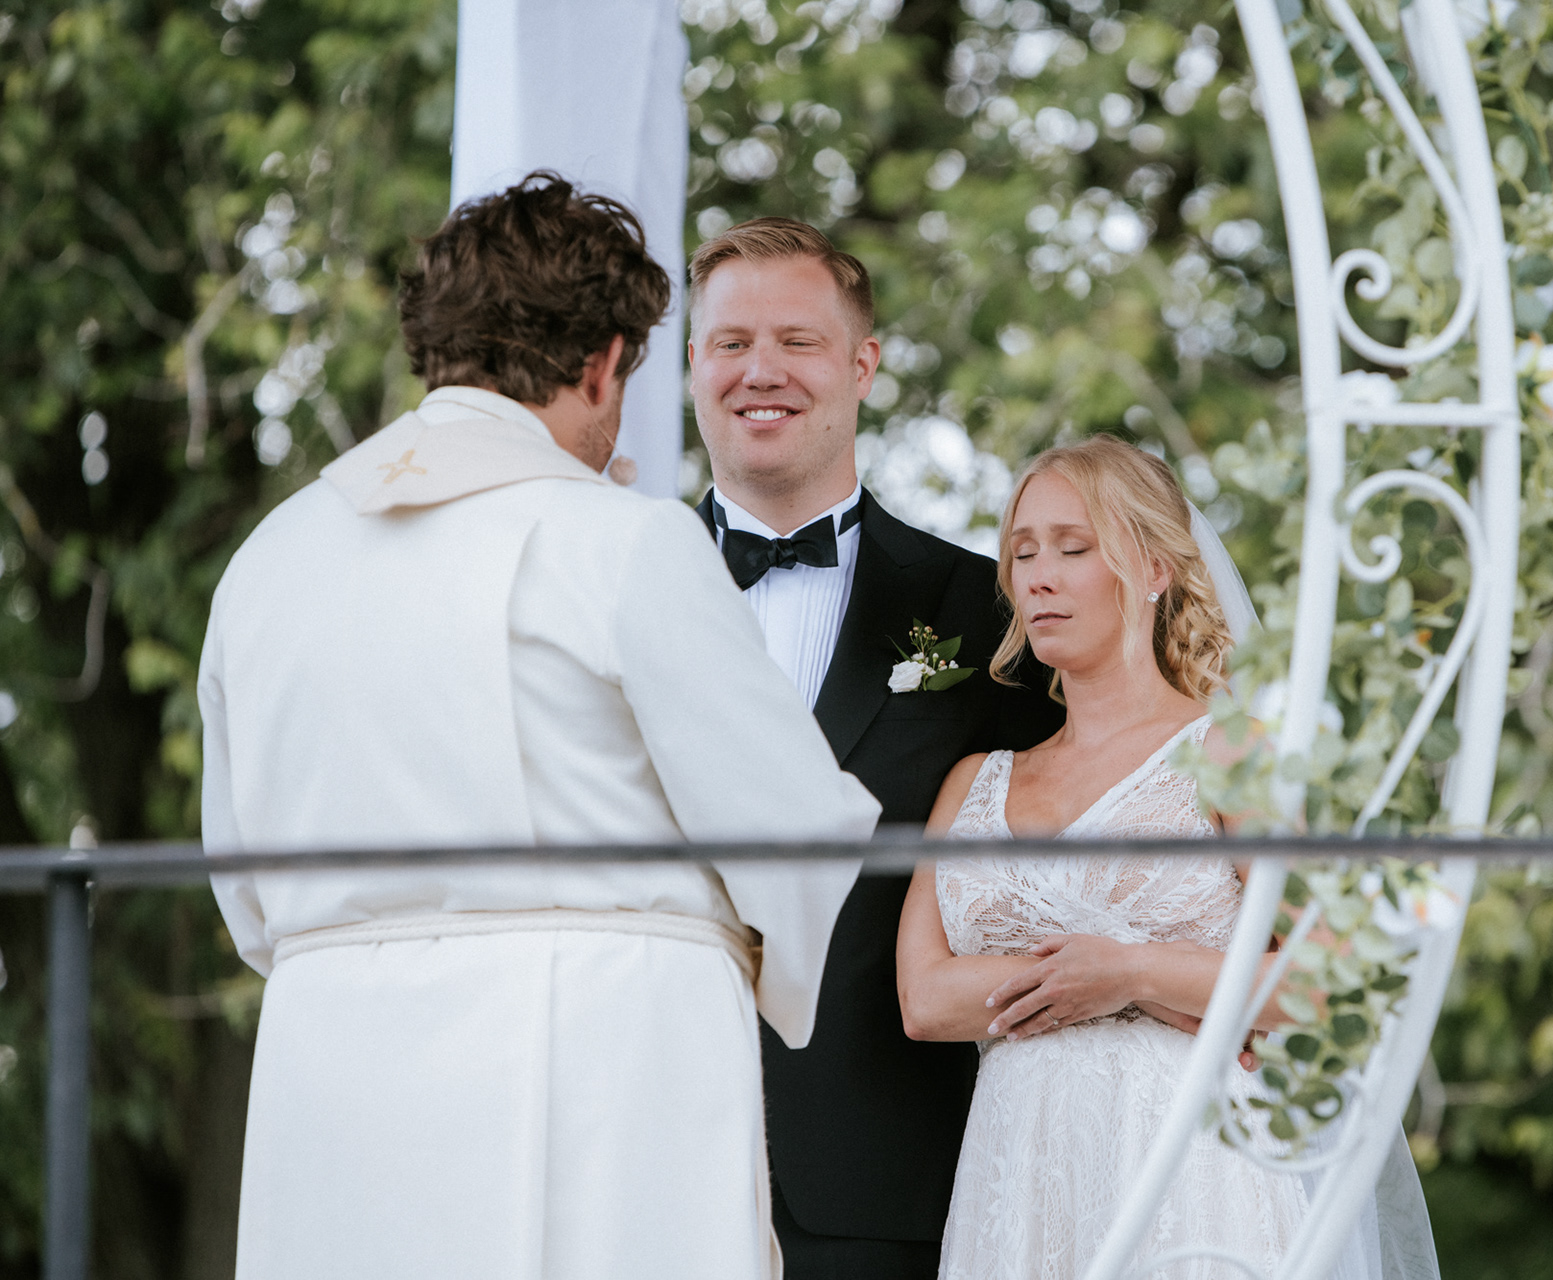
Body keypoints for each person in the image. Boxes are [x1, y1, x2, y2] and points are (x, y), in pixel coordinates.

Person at [199, 174, 879, 1280]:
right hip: (600, 1064)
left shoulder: (269, 557)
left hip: (332, 1071)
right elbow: (793, 827)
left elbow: (242, 883)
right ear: (604, 362)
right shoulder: (620, 540)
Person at [899, 436, 1436, 1280]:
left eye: (1073, 548)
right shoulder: (975, 781)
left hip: (1192, 1172)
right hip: (1019, 1177)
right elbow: (925, 999)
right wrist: (1124, 986)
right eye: (1023, 552)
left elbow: (1331, 982)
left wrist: (1135, 973)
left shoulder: (1227, 753)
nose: (1039, 576)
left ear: (1154, 568)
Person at [685, 217, 1065, 1279]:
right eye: (731, 342)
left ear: (862, 366)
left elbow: (1075, 844)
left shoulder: (985, 611)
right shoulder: (601, 589)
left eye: (798, 341)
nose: (761, 370)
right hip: (633, 1148)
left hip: (879, 1182)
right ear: (693, 364)